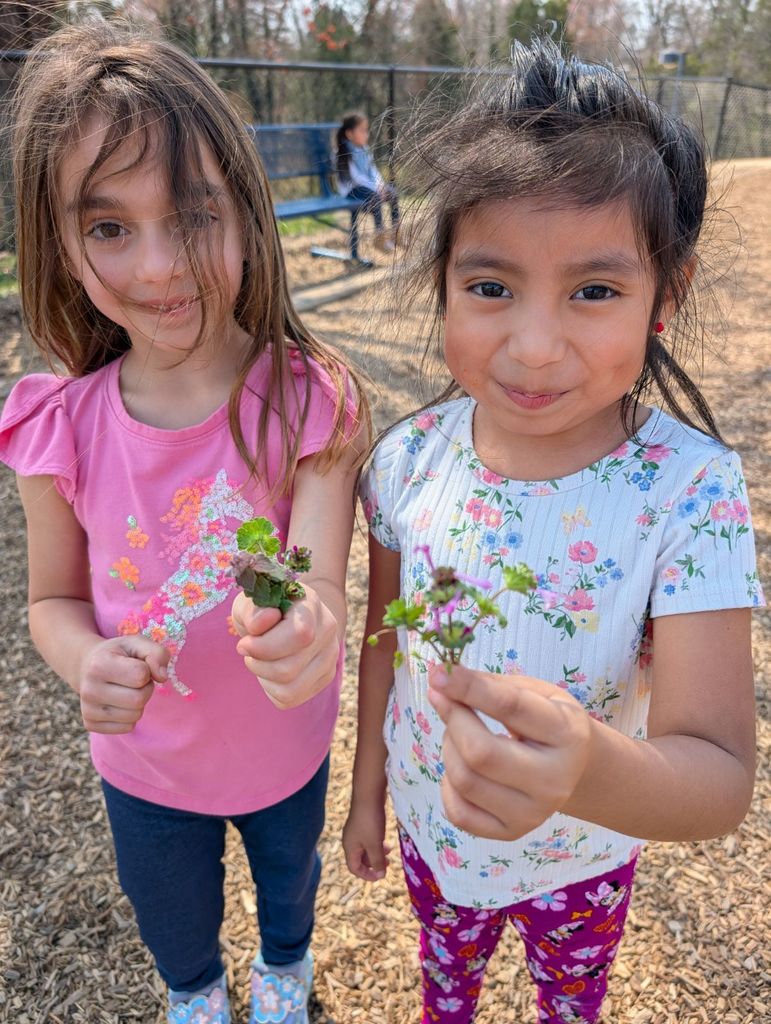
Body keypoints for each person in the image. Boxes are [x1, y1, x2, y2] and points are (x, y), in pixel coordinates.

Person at [343, 37, 764, 1024]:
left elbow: (718, 776)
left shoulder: (689, 492)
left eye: (594, 289)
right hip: (430, 828)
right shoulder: (406, 461)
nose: (534, 346)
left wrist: (587, 767)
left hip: (583, 854)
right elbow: (383, 642)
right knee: (442, 993)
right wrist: (367, 789)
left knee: (569, 1004)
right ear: (443, 281)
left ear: (669, 296)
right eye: (491, 286)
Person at [0, 22, 369, 1024]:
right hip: (145, 766)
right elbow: (51, 600)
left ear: (246, 210)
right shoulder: (57, 426)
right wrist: (85, 661)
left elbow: (323, 583)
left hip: (285, 748)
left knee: (290, 892)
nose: (160, 266)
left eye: (195, 214)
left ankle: (285, 972)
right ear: (59, 241)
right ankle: (198, 996)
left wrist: (312, 626)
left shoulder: (308, 398)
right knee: (172, 919)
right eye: (110, 227)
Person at [335, 111, 400, 254]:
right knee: (375, 199)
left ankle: (396, 235)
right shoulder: (343, 153)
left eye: (367, 130)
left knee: (393, 194)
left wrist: (381, 185)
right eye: (362, 130)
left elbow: (373, 170)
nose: (367, 134)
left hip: (370, 187)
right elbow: (356, 177)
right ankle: (379, 238)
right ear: (349, 134)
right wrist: (376, 189)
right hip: (352, 190)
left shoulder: (364, 149)